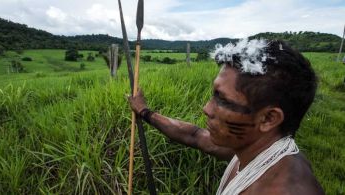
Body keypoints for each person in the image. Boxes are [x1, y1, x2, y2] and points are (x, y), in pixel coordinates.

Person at [128, 39, 325, 195]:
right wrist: (145, 112)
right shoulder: (256, 151)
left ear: (268, 119)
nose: (207, 108)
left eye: (222, 99)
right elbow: (194, 136)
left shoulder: (280, 189)